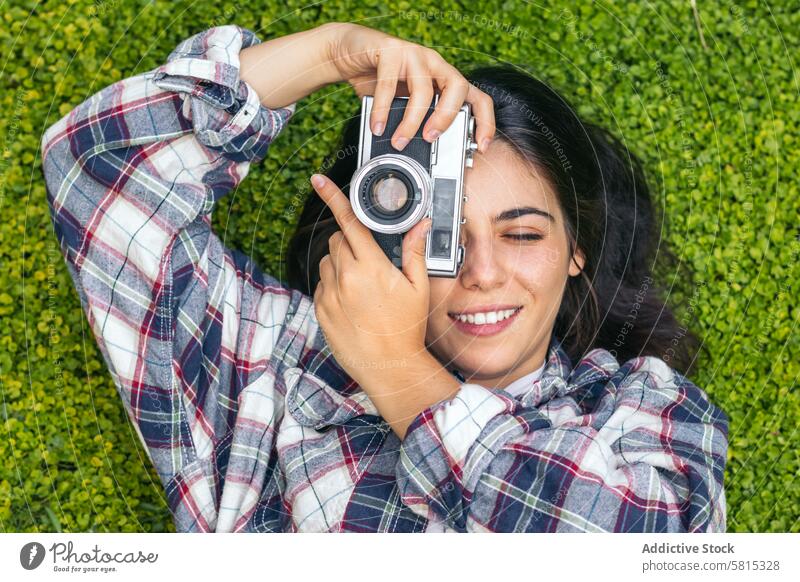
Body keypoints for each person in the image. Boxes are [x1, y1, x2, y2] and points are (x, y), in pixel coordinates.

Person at [40, 22, 728, 533]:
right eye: (440, 235)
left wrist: (402, 375)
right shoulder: (273, 374)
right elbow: (95, 171)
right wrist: (328, 54)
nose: (482, 273)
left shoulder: (647, 414)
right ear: (370, 226)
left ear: (577, 248)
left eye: (522, 234)